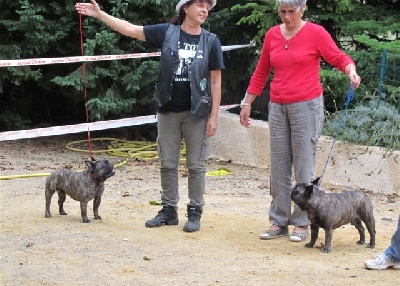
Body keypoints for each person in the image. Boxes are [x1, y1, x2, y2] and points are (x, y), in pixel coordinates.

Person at [75, 0, 224, 232]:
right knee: (167, 164)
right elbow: (130, 29)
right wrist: (100, 14)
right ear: (185, 8)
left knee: (196, 166)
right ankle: (168, 211)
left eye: (207, 6)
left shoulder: (211, 40)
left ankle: (194, 212)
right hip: (167, 110)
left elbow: (215, 80)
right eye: (199, 5)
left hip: (198, 112)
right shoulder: (167, 32)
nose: (205, 10)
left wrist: (214, 116)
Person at [239, 0, 361, 242]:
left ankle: (303, 221)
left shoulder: (316, 33)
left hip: (306, 106)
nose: (286, 17)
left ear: (302, 9)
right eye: (282, 12)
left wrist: (350, 71)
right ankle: (279, 220)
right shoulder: (273, 35)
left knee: (304, 165)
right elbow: (262, 70)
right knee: (279, 166)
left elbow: (338, 57)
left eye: (291, 12)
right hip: (278, 106)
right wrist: (247, 102)